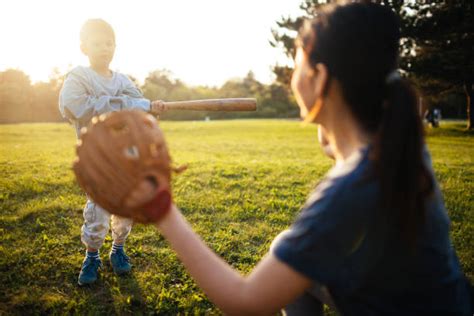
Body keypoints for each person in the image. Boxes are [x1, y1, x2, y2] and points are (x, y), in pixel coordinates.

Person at [125, 3, 471, 315]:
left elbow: (246, 300)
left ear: (319, 79)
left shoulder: (349, 190)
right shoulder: (400, 143)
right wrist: (329, 123)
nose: (292, 80)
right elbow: (339, 145)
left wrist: (162, 210)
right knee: (289, 253)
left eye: (296, 66)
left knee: (288, 258)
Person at [59, 19, 164, 286]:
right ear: (84, 47)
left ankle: (118, 248)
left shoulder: (122, 81)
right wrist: (137, 104)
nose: (104, 48)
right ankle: (91, 255)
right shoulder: (78, 78)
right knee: (97, 211)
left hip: (125, 158)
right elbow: (78, 107)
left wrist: (150, 107)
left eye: (109, 43)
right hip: (95, 161)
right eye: (97, 43)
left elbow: (139, 109)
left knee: (125, 208)